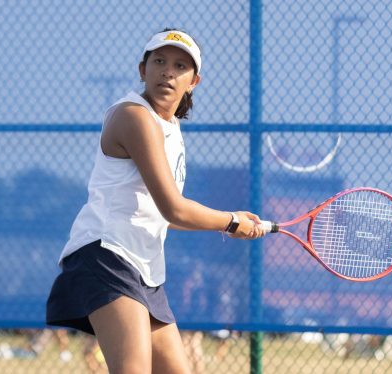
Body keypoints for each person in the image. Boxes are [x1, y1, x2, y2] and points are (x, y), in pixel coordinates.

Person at [46, 28, 265, 373]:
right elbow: (173, 207)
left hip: (145, 269)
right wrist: (231, 221)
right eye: (159, 61)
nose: (167, 71)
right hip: (106, 255)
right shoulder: (133, 117)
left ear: (194, 81)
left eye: (180, 66)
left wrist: (230, 220)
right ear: (142, 69)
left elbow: (169, 215)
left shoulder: (172, 130)